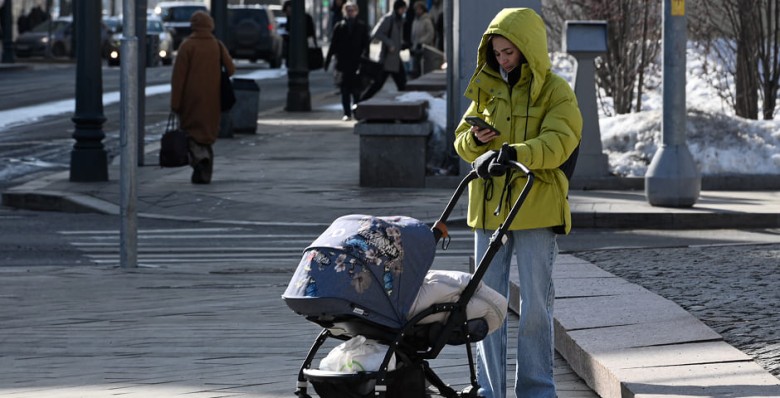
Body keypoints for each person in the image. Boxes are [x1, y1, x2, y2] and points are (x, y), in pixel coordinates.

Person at [453, 8, 582, 398]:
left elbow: (560, 141)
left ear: (528, 48)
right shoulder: (487, 85)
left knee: (536, 308)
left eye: (509, 52)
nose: (502, 59)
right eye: (496, 53)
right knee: (485, 307)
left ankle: (536, 389)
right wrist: (476, 142)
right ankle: (490, 390)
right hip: (490, 208)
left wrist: (514, 152)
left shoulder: (556, 91)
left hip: (536, 205)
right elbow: (461, 136)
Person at [170, 11, 236, 184]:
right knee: (207, 134)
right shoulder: (217, 45)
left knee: (191, 133)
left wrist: (175, 103)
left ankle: (200, 159)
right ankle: (205, 172)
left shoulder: (187, 46)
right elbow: (231, 69)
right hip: (212, 97)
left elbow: (179, 78)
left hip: (190, 99)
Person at [324, 1, 369, 121]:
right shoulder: (339, 26)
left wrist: (365, 59)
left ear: (356, 12)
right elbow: (333, 45)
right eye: (348, 10)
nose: (350, 12)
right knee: (345, 90)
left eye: (352, 10)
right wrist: (328, 60)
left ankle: (357, 112)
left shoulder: (361, 26)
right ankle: (347, 113)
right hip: (343, 62)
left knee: (356, 90)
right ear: (344, 12)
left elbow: (366, 45)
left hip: (357, 62)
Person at [359, 0, 407, 101]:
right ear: (398, 8)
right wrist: (390, 43)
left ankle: (407, 104)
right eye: (402, 9)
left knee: (402, 83)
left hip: (395, 58)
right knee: (378, 84)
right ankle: (361, 102)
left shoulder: (399, 20)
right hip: (387, 59)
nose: (403, 11)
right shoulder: (388, 19)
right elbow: (376, 33)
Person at [281, 0, 317, 68]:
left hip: (302, 47)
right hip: (295, 49)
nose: (287, 13)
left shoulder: (303, 18)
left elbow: (310, 32)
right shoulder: (290, 18)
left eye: (287, 11)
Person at [409, 1, 434, 78]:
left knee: (423, 68)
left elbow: (430, 34)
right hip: (416, 48)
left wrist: (422, 41)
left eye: (419, 9)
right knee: (415, 68)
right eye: (416, 9)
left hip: (425, 48)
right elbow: (413, 35)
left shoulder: (426, 20)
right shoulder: (415, 21)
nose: (418, 11)